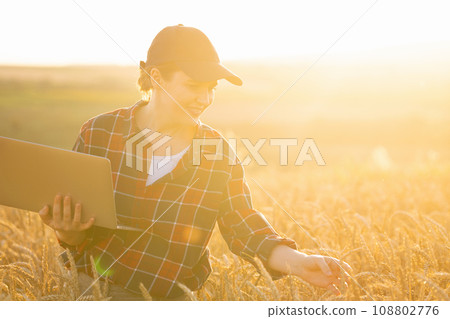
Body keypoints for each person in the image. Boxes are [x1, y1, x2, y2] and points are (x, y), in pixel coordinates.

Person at [38, 24, 351, 301]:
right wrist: (68, 234)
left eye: (211, 88)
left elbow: (245, 228)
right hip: (94, 293)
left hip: (173, 301)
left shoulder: (218, 152)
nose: (205, 99)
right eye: (193, 86)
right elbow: (77, 226)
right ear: (156, 77)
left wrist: (299, 261)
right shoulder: (99, 133)